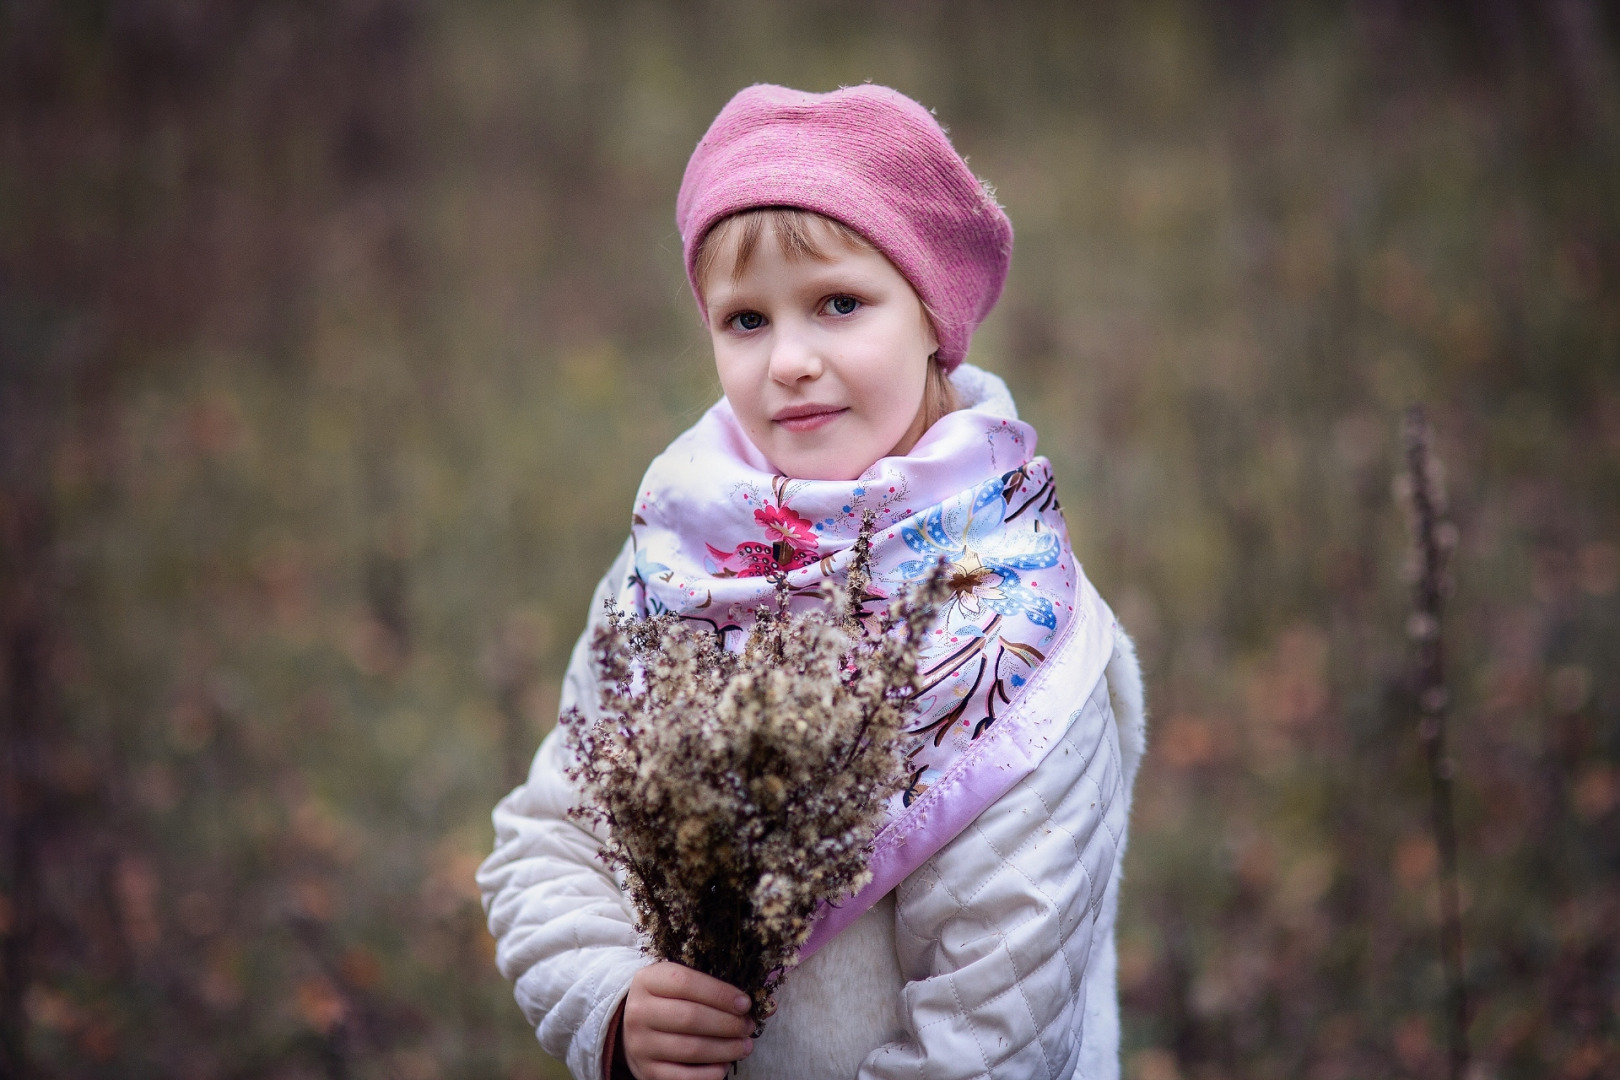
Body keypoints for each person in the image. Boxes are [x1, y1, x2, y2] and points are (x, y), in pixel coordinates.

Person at [477, 83, 1146, 1080]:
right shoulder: (680, 563)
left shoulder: (1010, 624)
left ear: (933, 314)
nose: (789, 359)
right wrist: (612, 1002)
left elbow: (994, 1023)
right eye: (746, 320)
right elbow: (553, 838)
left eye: (840, 303)